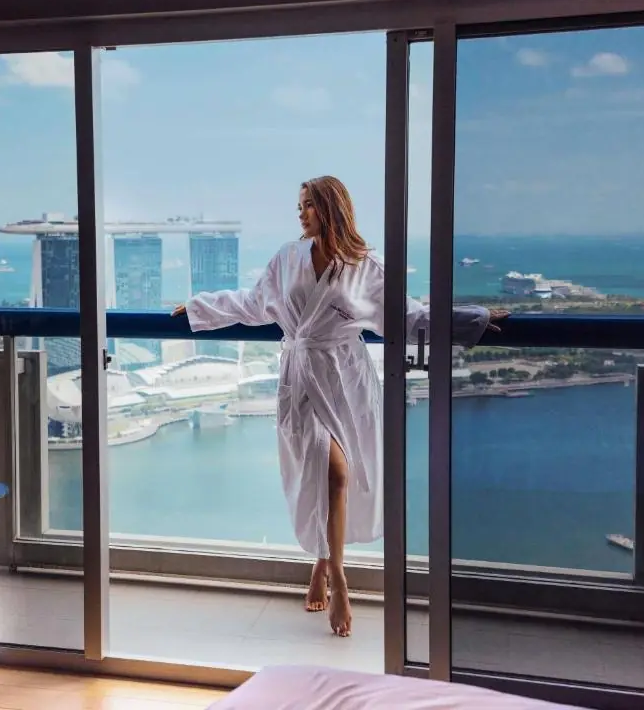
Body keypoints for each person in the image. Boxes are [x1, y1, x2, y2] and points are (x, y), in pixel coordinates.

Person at [172, 176, 508, 637]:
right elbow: (252, 304)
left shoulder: (366, 267)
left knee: (336, 478)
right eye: (299, 205)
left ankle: (322, 563)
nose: (300, 213)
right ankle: (341, 580)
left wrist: (473, 319)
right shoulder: (287, 258)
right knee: (332, 473)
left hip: (346, 380)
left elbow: (409, 316)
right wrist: (197, 308)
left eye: (308, 205)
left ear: (331, 208)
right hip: (300, 378)